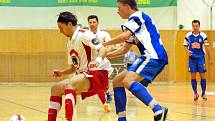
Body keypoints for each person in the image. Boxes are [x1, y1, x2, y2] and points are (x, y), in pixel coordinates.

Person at [103, 0, 169, 121]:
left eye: (119, 7)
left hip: (152, 56)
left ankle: (158, 109)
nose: (117, 11)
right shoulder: (134, 26)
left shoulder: (136, 16)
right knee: (118, 80)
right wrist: (105, 55)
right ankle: (121, 118)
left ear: (127, 6)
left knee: (128, 80)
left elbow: (125, 36)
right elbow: (124, 49)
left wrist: (104, 44)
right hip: (152, 57)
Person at [48, 11, 112, 121]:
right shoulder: (70, 42)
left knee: (69, 84)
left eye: (61, 28)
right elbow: (73, 68)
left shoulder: (84, 34)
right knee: (55, 89)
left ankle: (68, 119)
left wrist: (97, 61)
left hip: (99, 73)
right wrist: (62, 72)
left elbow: (102, 49)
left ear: (69, 24)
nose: (60, 31)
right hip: (85, 76)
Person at [183, 20, 212, 101]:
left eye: (196, 26)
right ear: (192, 26)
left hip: (200, 58)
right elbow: (185, 45)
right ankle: (195, 93)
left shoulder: (203, 35)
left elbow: (207, 47)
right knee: (193, 76)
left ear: (199, 26)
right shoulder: (188, 35)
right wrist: (187, 51)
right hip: (192, 59)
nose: (195, 27)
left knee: (202, 75)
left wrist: (210, 58)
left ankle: (203, 93)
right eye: (194, 26)